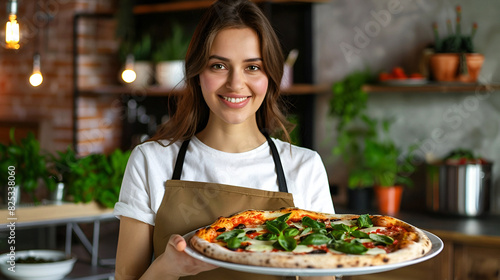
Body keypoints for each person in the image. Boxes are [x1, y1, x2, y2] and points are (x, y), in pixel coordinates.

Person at [113, 0, 335, 279]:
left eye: (252, 67)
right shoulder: (151, 160)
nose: (235, 83)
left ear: (271, 76)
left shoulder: (305, 167)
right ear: (197, 73)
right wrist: (167, 267)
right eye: (218, 65)